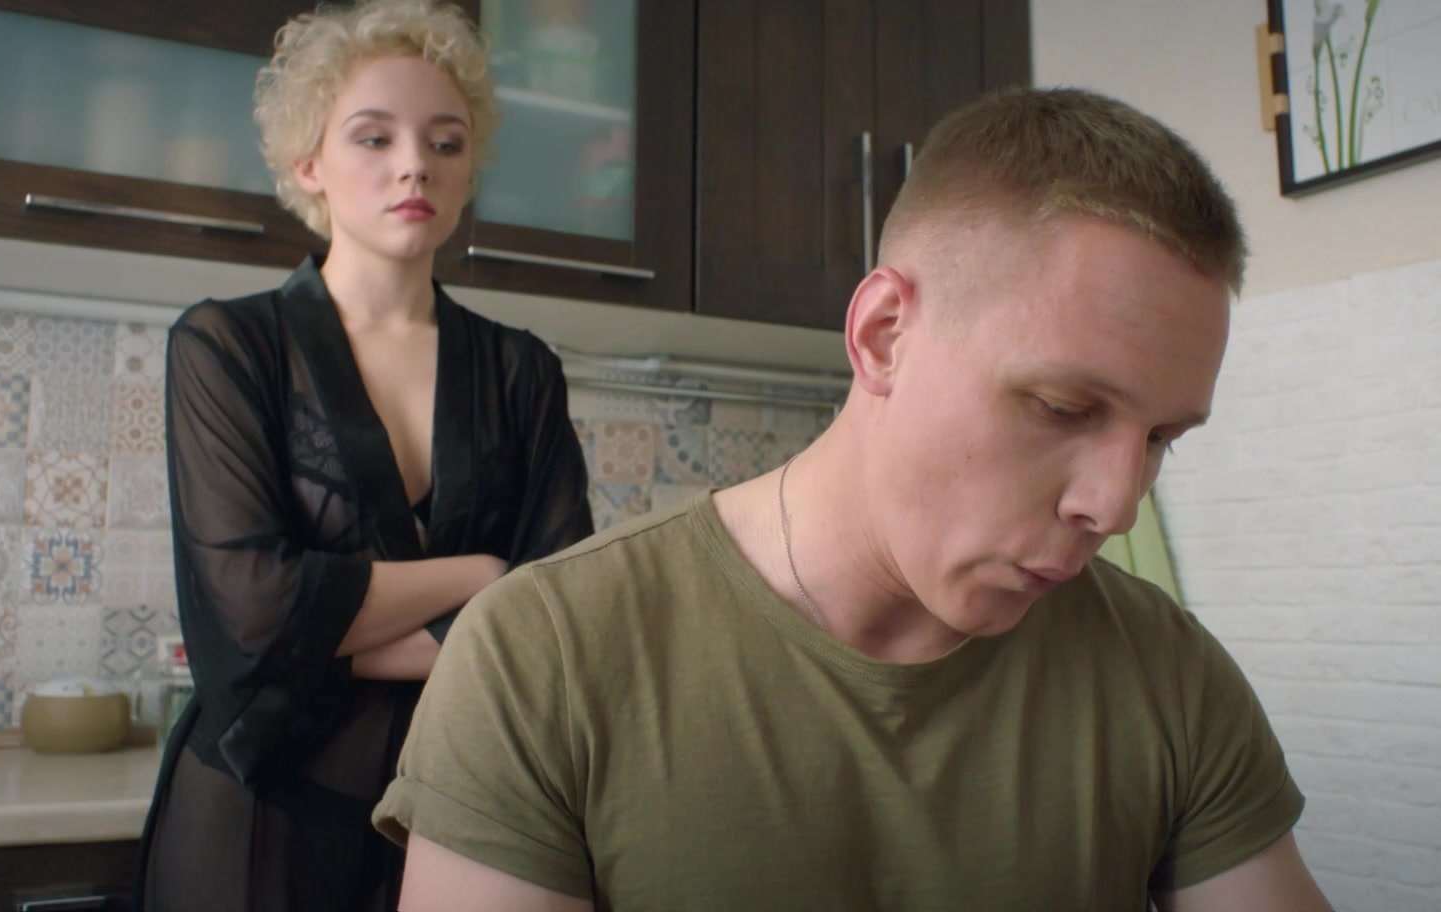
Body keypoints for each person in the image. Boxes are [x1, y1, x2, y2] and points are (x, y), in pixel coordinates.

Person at [373, 87, 1334, 910]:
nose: (1115, 507)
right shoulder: (544, 658)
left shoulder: (1167, 674)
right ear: (881, 335)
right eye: (1061, 406)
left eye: (1160, 438)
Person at [137, 2, 593, 909]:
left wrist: (321, 645)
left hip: (465, 809)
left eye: (445, 142)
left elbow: (559, 620)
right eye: (374, 138)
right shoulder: (228, 346)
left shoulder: (521, 370)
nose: (414, 164)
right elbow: (251, 613)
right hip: (257, 810)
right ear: (308, 162)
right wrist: (480, 574)